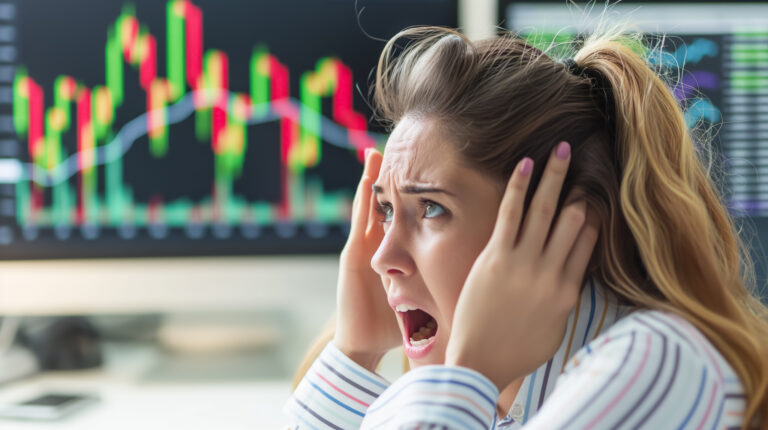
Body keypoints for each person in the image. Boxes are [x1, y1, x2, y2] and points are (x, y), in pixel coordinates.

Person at [284, 24, 768, 430]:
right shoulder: (495, 401)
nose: (381, 258)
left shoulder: (655, 363)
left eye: (431, 208)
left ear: (560, 224)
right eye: (386, 209)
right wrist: (354, 353)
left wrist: (470, 371)